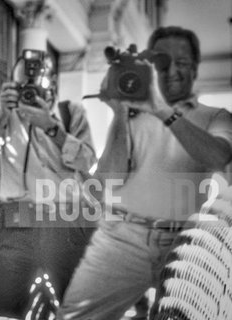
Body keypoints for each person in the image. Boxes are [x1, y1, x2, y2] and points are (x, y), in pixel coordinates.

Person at [59, 26, 232, 320]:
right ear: (151, 68)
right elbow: (107, 183)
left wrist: (163, 110)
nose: (173, 71)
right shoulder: (131, 116)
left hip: (188, 241)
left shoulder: (216, 117)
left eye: (183, 62)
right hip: (123, 239)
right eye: (163, 63)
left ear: (195, 68)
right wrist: (120, 113)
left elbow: (219, 156)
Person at [0, 50, 97, 318]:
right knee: (3, 301)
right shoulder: (3, 114)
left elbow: (87, 160)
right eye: (23, 87)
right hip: (14, 221)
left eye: (36, 86)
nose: (31, 93)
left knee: (70, 303)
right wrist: (3, 116)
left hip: (63, 222)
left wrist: (52, 128)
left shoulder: (71, 113)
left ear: (51, 84)